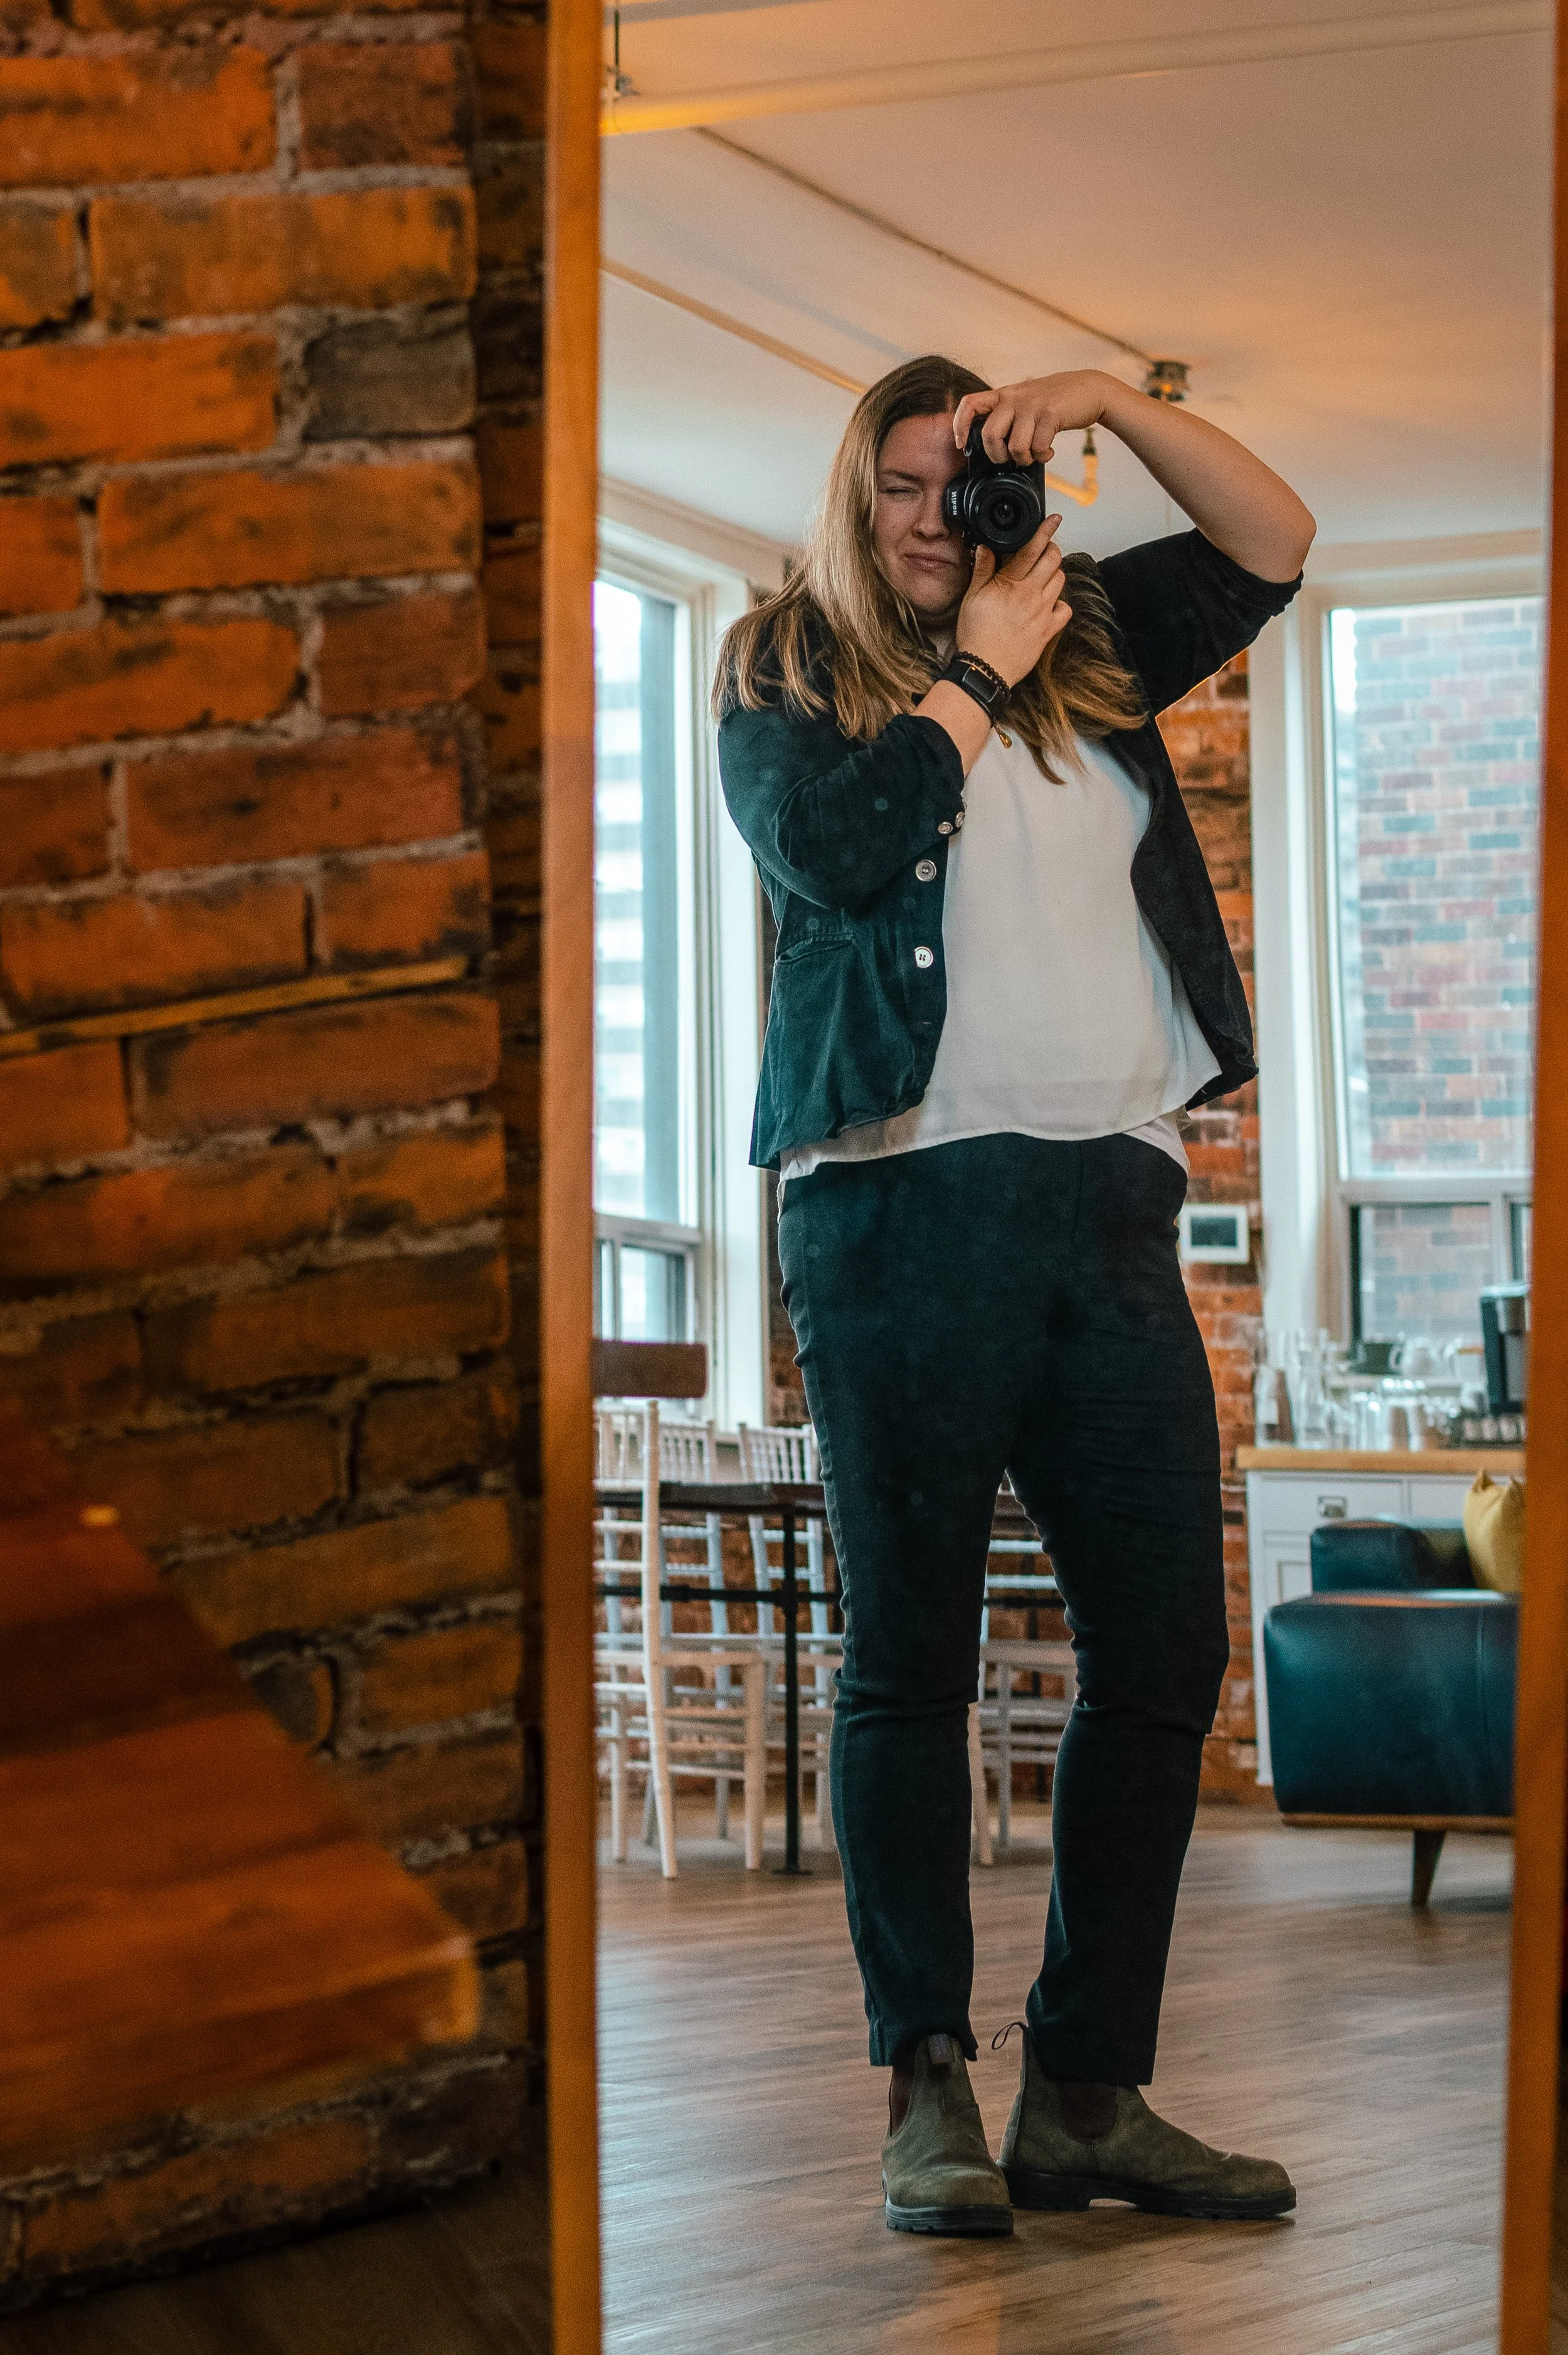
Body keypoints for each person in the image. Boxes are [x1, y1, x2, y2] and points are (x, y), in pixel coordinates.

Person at [715, 356, 1315, 2238]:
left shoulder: (1093, 633)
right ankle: (925, 2093)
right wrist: (969, 671)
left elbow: (1278, 537)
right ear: (853, 491)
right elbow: (827, 849)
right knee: (909, 1662)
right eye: (899, 481)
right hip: (894, 1207)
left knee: (1162, 1656)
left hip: (1111, 1201)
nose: (929, 511)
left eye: (965, 476)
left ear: (1015, 487)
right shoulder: (782, 663)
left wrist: (1114, 403)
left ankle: (1085, 2091)